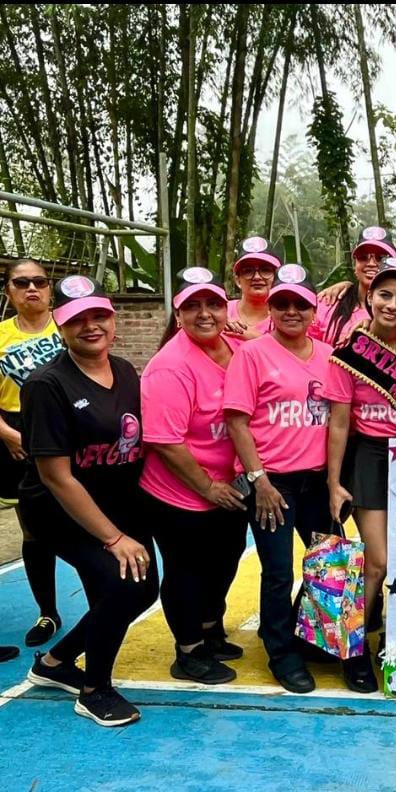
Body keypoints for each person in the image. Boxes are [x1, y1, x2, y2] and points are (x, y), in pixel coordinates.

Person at [21, 275, 158, 726]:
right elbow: (56, 477)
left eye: (99, 315)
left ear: (113, 319)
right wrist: (114, 538)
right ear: (60, 326)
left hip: (117, 501)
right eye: (77, 319)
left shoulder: (125, 370)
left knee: (144, 589)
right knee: (120, 586)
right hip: (59, 510)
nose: (90, 326)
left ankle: (55, 663)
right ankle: (95, 689)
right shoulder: (47, 385)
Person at [224, 264, 336, 694]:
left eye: (300, 304)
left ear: (313, 311)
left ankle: (306, 635)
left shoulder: (328, 356)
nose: (291, 311)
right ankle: (281, 653)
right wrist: (259, 480)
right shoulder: (252, 354)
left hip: (316, 481)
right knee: (277, 571)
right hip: (273, 483)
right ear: (270, 309)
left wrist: (335, 480)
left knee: (328, 564)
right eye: (282, 303)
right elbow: (237, 420)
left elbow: (340, 419)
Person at [325, 258, 396, 692]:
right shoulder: (350, 351)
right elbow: (338, 423)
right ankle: (353, 651)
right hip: (370, 457)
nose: (392, 305)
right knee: (378, 562)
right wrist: (334, 482)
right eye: (384, 295)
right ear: (369, 296)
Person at [140, 268, 248, 685]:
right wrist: (207, 487)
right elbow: (166, 442)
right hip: (180, 490)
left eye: (213, 304)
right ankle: (188, 650)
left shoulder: (238, 347)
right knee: (187, 570)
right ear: (178, 313)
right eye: (193, 306)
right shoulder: (170, 366)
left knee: (226, 558)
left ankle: (209, 628)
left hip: (230, 483)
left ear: (227, 308)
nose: (205, 314)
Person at [0, 260, 64, 646]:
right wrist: (7, 434)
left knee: (84, 519)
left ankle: (105, 604)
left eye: (39, 281)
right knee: (33, 527)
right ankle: (48, 612)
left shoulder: (69, 325)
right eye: (21, 283)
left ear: (50, 288)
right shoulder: (0, 336)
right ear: (9, 291)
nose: (31, 289)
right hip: (16, 432)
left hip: (65, 428)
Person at [310, 226, 396, 346]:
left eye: (381, 258)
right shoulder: (328, 303)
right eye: (363, 257)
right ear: (355, 263)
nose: (371, 263)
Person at [225, 237, 282, 340]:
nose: (257, 277)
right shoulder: (220, 312)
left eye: (266, 270)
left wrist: (257, 339)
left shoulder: (289, 316)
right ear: (237, 280)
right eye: (248, 271)